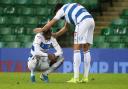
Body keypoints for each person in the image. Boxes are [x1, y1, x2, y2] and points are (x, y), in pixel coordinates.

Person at [34, 3, 95, 83]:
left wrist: (41, 30)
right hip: (91, 21)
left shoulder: (62, 10)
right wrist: (56, 34)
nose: (59, 16)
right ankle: (85, 78)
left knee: (76, 49)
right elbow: (66, 27)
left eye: (56, 13)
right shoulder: (69, 9)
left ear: (58, 10)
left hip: (82, 22)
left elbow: (52, 22)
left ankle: (76, 78)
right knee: (86, 50)